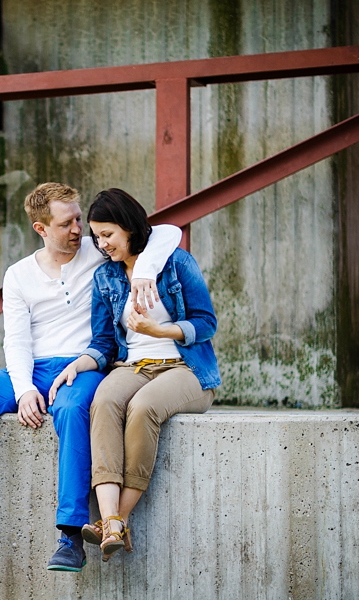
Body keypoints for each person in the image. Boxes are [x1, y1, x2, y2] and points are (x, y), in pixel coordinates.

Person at [0, 182, 182, 571]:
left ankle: (71, 537)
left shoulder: (97, 251)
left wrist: (146, 273)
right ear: (41, 229)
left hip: (83, 365)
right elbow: (17, 340)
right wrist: (23, 392)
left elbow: (168, 232)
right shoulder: (19, 275)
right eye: (67, 223)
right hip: (31, 368)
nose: (78, 229)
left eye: (78, 218)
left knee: (72, 412)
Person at [49, 188, 220, 562]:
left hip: (185, 368)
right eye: (96, 236)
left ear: (128, 227)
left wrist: (164, 332)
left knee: (142, 407)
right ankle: (109, 516)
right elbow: (104, 341)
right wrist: (80, 363)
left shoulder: (176, 263)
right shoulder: (106, 277)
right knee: (105, 400)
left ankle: (118, 519)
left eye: (107, 234)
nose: (101, 243)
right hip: (134, 365)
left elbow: (207, 323)